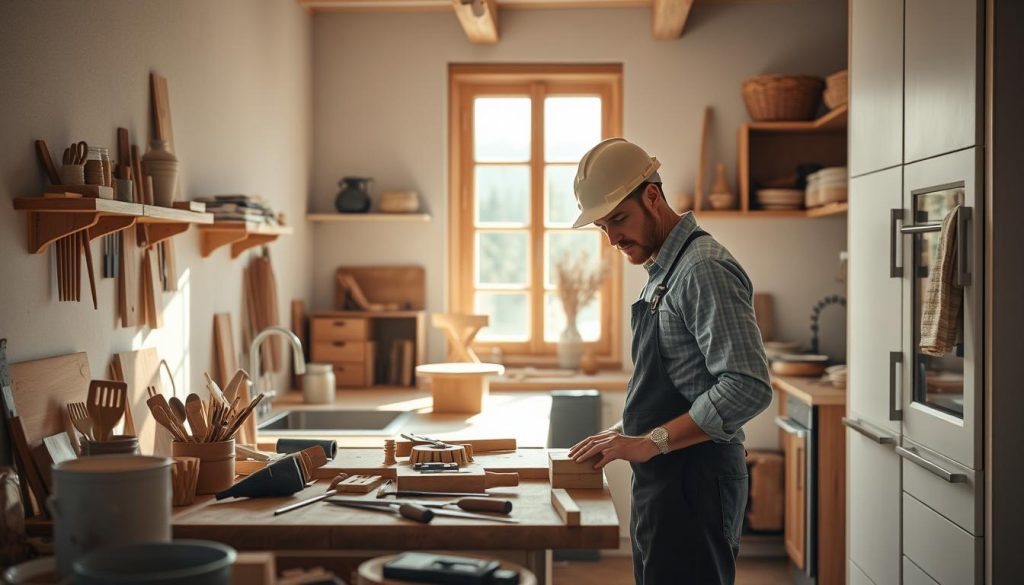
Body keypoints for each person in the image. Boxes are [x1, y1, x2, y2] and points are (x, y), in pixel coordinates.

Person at [567, 138, 772, 585]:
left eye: (619, 219)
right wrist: (626, 434)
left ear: (653, 196)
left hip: (695, 483)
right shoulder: (665, 270)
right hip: (664, 480)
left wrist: (651, 440)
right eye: (603, 227)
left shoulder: (702, 268)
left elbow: (747, 386)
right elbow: (686, 382)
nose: (613, 238)